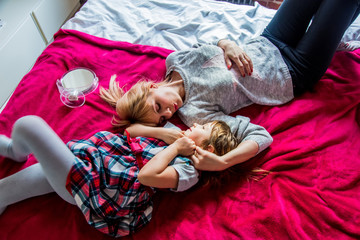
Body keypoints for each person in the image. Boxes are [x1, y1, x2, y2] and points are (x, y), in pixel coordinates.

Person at [101, 0, 360, 171]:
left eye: (158, 107)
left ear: (150, 87)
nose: (169, 113)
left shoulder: (174, 60)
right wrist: (223, 161)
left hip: (269, 40)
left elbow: (211, 42)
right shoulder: (196, 115)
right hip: (294, 70)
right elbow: (261, 136)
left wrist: (226, 43)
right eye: (163, 117)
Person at [0, 115, 237, 237]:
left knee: (28, 125)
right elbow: (130, 132)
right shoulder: (176, 135)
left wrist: (174, 150)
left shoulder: (189, 171)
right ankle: (6, 182)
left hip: (99, 187)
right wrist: (165, 134)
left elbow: (146, 176)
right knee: (5, 191)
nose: (196, 124)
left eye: (204, 128)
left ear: (208, 149)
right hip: (96, 159)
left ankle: (15, 151)